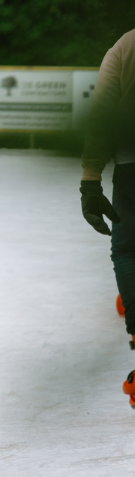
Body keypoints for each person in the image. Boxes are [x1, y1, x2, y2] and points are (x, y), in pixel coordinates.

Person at [78, 29, 135, 406]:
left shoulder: (126, 45)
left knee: (127, 252)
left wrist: (90, 182)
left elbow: (101, 116)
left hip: (132, 170)